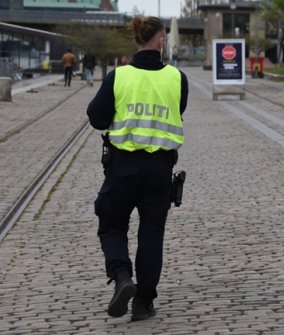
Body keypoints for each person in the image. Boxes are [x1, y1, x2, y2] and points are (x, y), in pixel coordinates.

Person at [86, 16, 188, 322]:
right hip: (159, 171)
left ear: (135, 41)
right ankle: (143, 302)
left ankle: (121, 276)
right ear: (161, 42)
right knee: (152, 234)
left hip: (123, 168)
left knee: (112, 224)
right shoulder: (177, 78)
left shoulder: (119, 77)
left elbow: (97, 118)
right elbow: (178, 110)